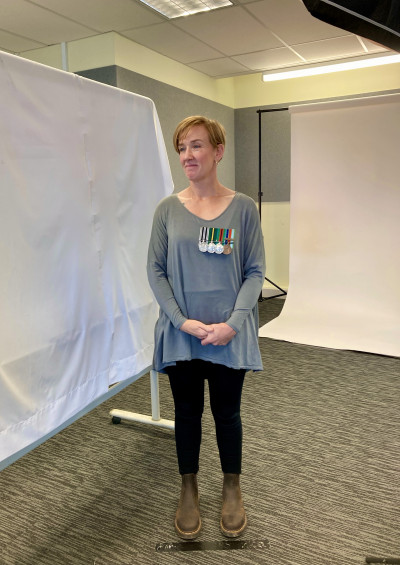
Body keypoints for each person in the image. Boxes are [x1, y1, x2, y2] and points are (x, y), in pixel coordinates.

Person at [147, 115, 265, 540]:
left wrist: (233, 325)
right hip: (182, 335)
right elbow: (155, 271)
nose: (187, 156)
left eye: (196, 146)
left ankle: (232, 486)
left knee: (228, 413)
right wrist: (182, 321)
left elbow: (255, 271)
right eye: (181, 148)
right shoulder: (166, 210)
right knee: (187, 413)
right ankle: (189, 486)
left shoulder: (244, 207)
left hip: (228, 338)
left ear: (218, 151)